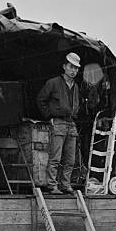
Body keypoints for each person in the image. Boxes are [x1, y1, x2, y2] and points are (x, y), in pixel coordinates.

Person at [37, 52, 81, 194]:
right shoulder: (53, 83)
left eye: (76, 68)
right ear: (64, 66)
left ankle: (65, 185)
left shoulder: (76, 86)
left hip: (71, 123)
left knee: (70, 159)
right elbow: (41, 99)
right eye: (71, 67)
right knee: (55, 157)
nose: (73, 70)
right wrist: (49, 116)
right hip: (58, 122)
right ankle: (52, 185)